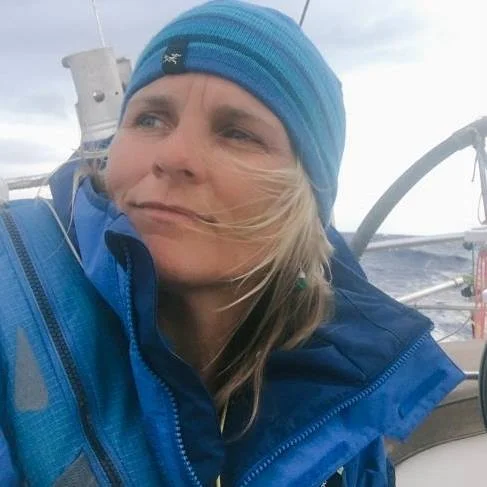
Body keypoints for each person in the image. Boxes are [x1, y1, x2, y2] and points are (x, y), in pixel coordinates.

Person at [0, 1, 464, 486]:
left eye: (237, 133)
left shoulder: (348, 393)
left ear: (307, 198)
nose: (173, 155)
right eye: (150, 119)